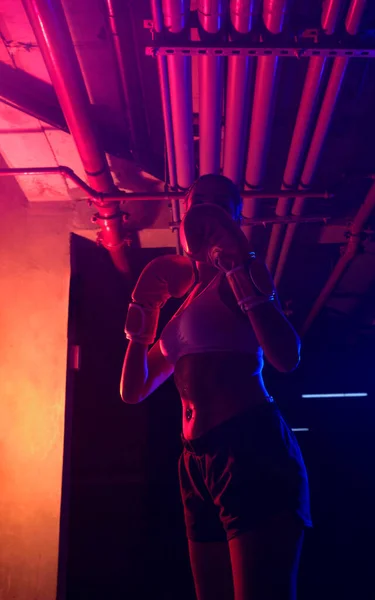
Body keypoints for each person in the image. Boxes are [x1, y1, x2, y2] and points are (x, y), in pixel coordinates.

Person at [120, 174, 312, 600]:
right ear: (183, 216)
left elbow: (286, 356)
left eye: (220, 202)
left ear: (236, 215)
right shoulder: (183, 304)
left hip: (249, 445)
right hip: (196, 461)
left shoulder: (242, 278)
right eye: (198, 201)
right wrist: (142, 319)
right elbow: (135, 389)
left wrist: (243, 273)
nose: (207, 209)